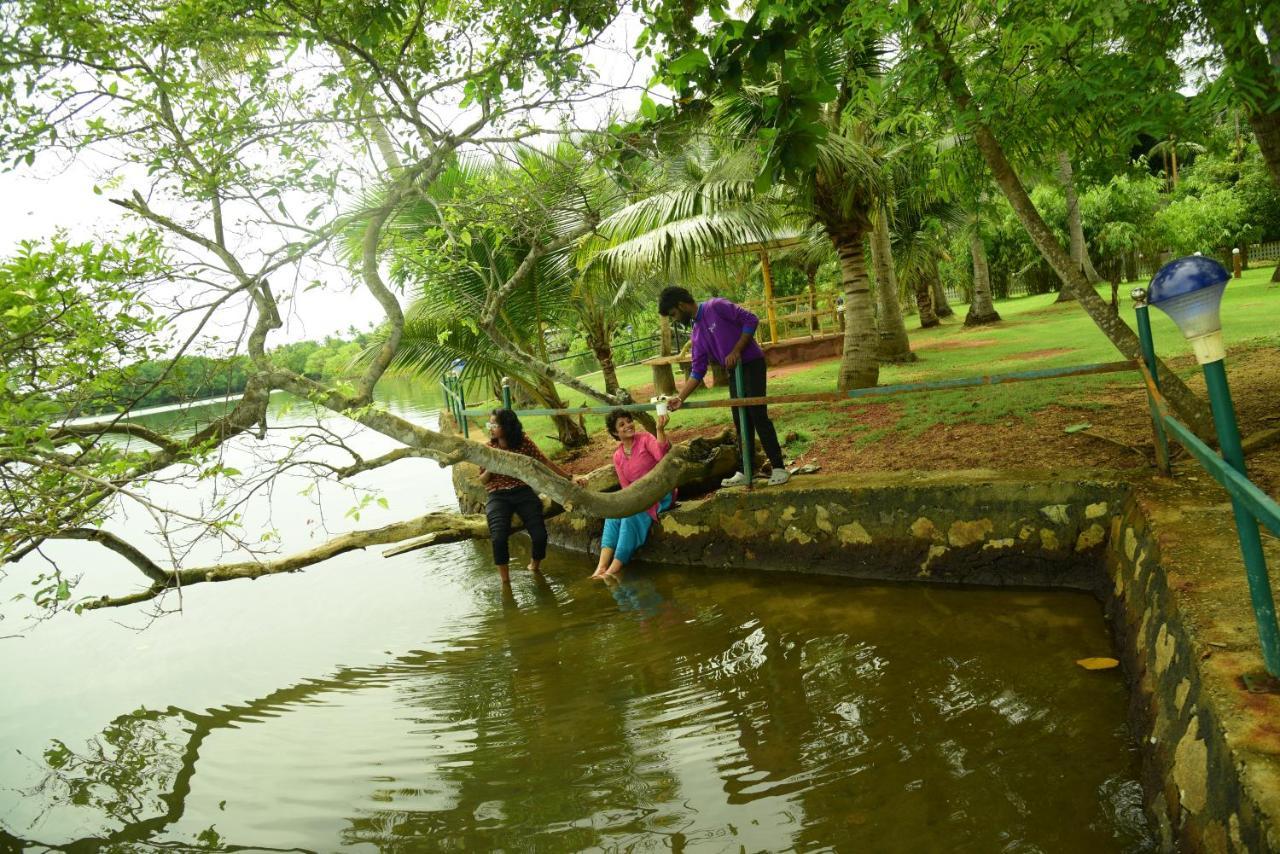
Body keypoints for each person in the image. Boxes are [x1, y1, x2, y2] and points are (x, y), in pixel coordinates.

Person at [657, 286, 790, 487]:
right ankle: (747, 471)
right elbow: (697, 370)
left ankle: (779, 467)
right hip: (734, 373)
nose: (675, 319)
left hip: (751, 364)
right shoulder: (697, 332)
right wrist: (680, 398)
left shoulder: (716, 306)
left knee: (757, 414)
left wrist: (737, 350)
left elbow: (751, 320)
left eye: (674, 314)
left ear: (682, 305)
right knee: (740, 420)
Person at [478, 408, 574, 586]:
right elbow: (483, 480)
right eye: (489, 424)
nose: (490, 427)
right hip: (497, 495)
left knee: (539, 535)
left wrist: (567, 478)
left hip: (522, 491)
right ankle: (505, 582)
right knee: (498, 537)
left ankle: (534, 567)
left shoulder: (523, 443)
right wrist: (492, 466)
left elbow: (544, 462)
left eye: (494, 424)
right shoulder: (489, 448)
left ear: (507, 426)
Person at [583, 409, 675, 578]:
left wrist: (660, 430)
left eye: (629, 421)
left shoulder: (646, 439)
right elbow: (626, 487)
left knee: (630, 516)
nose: (628, 425)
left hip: (659, 493)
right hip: (636, 496)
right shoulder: (618, 456)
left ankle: (614, 568)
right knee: (614, 514)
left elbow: (663, 457)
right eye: (621, 424)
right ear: (614, 432)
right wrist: (624, 504)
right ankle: (601, 567)